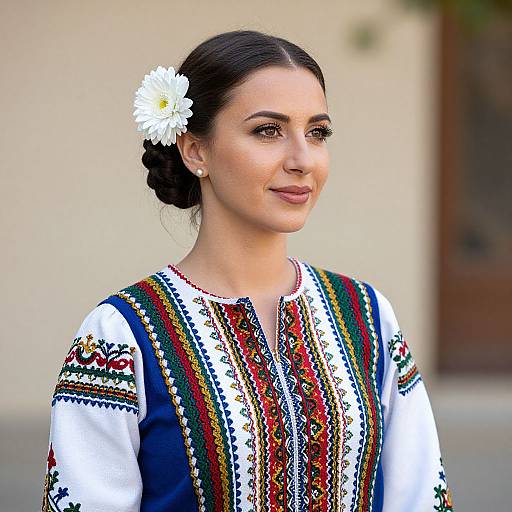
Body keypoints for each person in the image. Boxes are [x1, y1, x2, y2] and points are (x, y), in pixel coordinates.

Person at [41, 29, 453, 512]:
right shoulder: (119, 336)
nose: (303, 160)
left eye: (317, 132)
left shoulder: (365, 316)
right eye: (268, 130)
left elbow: (420, 497)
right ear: (195, 150)